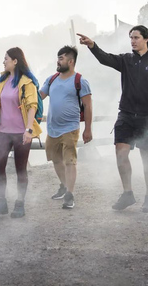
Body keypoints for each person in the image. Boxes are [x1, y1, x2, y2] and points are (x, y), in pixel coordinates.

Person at [77, 26, 148, 212]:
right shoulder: (126, 60)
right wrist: (92, 45)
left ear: (146, 39)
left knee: (147, 158)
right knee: (121, 152)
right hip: (126, 114)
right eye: (131, 38)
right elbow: (106, 59)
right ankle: (127, 193)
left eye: (136, 37)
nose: (133, 41)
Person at [0, 47, 43, 218]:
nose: (3, 61)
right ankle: (1, 203)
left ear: (15, 61)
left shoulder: (27, 82)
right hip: (3, 132)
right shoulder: (2, 81)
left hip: (21, 133)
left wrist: (28, 130)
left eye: (6, 58)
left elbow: (32, 106)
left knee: (20, 170)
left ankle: (20, 204)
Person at [40, 46, 93, 209]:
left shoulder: (80, 81)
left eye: (61, 58)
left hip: (70, 128)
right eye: (58, 57)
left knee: (70, 161)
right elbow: (38, 97)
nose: (58, 61)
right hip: (52, 128)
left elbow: (88, 106)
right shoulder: (51, 79)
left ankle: (69, 194)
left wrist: (88, 129)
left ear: (71, 61)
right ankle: (63, 186)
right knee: (56, 160)